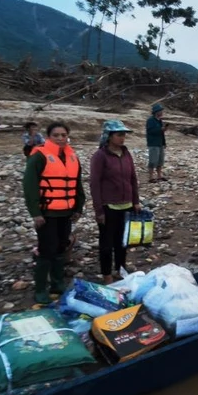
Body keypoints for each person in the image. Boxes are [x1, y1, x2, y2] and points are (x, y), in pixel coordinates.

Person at [23, 121, 85, 304]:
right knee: (46, 251)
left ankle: (58, 284)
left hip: (66, 213)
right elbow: (30, 186)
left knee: (61, 248)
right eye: (56, 135)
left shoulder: (73, 157)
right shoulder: (39, 156)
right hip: (47, 213)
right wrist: (35, 213)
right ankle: (41, 289)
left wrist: (78, 208)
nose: (60, 138)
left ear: (67, 137)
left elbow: (77, 185)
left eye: (63, 135)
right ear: (49, 137)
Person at [90, 120, 141, 284]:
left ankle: (120, 269)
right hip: (109, 206)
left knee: (122, 241)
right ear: (109, 136)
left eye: (124, 135)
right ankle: (107, 275)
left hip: (126, 205)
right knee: (106, 244)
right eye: (119, 135)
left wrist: (136, 201)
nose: (122, 138)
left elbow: (133, 178)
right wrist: (99, 210)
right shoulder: (100, 156)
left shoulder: (126, 153)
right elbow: (95, 183)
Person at [146, 102, 169, 183]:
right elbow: (150, 131)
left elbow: (161, 133)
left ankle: (159, 176)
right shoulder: (150, 120)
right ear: (156, 112)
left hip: (160, 143)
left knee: (160, 160)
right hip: (153, 143)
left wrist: (164, 143)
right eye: (160, 111)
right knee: (152, 161)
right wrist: (161, 130)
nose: (162, 112)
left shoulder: (160, 121)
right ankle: (151, 177)